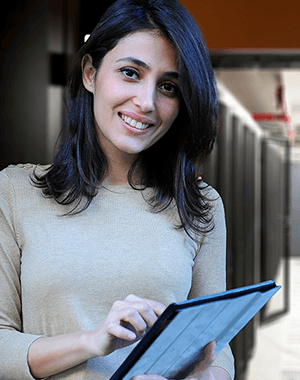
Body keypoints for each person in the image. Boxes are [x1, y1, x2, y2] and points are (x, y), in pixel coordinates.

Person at [0, 0, 235, 379]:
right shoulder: (15, 193)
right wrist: (94, 341)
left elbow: (216, 345)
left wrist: (204, 377)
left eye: (169, 87)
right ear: (90, 73)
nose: (146, 102)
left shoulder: (201, 204)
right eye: (130, 73)